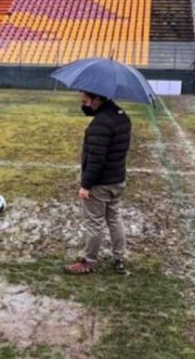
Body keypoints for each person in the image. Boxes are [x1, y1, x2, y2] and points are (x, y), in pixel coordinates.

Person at [65, 91, 131, 275]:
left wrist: (86, 185)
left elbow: (96, 160)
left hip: (101, 184)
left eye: (85, 101)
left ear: (97, 99)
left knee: (94, 223)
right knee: (114, 219)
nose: (83, 105)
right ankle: (119, 258)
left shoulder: (100, 124)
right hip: (118, 181)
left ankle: (88, 261)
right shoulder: (122, 116)